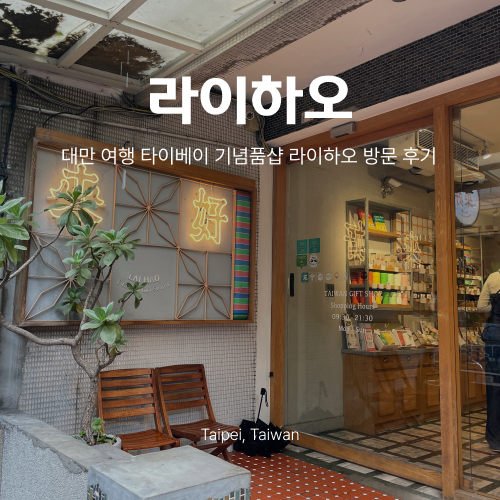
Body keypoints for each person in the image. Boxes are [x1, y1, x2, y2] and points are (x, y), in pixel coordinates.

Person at [477, 271, 500, 452]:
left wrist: (495, 306)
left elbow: (481, 306)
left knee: (494, 387)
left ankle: (494, 439)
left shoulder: (493, 277)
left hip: (495, 336)